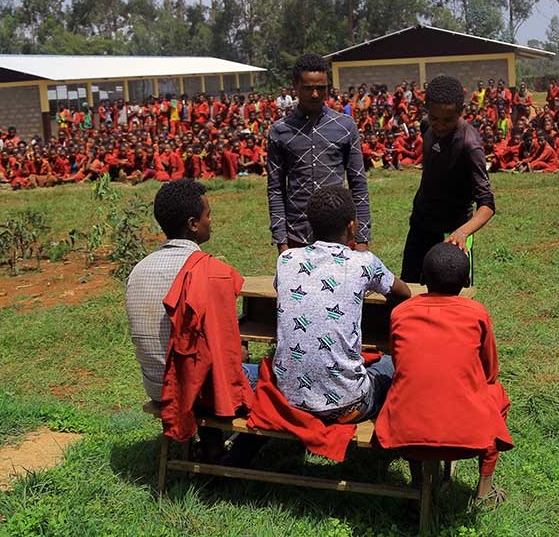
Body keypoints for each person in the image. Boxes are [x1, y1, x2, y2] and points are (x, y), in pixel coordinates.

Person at [375, 243, 513, 509]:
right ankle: (484, 491)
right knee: (497, 393)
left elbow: (400, 361)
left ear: (423, 279)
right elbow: (491, 373)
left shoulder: (401, 313)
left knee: (409, 387)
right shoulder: (476, 313)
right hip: (468, 441)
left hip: (404, 437)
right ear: (465, 282)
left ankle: (418, 485)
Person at [125, 178, 257, 444]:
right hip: (195, 392)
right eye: (208, 215)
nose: (212, 221)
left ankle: (211, 445)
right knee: (274, 376)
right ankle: (235, 459)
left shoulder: (138, 270)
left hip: (157, 387)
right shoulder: (213, 273)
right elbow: (226, 352)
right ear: (193, 224)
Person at [273, 186, 411, 423]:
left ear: (311, 226)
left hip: (288, 398)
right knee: (393, 363)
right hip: (349, 405)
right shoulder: (363, 262)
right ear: (352, 226)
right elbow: (403, 293)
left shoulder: (286, 259)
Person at [267, 54, 371, 252]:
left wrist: (362, 238)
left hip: (339, 235)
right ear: (295, 86)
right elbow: (275, 189)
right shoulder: (279, 130)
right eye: (308, 88)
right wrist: (281, 240)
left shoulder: (346, 126)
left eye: (321, 88)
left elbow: (358, 184)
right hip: (297, 234)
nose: (315, 94)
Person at [401, 75, 495, 284]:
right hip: (422, 222)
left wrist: (461, 233)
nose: (440, 125)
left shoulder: (470, 145)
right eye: (435, 118)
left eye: (448, 120)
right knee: (411, 286)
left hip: (455, 231)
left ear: (461, 112)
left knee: (452, 295)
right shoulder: (426, 126)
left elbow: (487, 205)